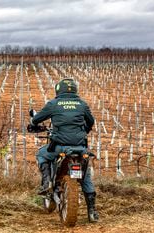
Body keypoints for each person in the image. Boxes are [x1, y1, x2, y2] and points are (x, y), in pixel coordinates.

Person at [29, 78, 99, 222]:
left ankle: (47, 183)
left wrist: (33, 122)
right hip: (80, 147)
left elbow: (36, 120)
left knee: (41, 155)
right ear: (75, 89)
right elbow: (90, 122)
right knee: (85, 176)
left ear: (58, 90)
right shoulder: (82, 104)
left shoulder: (54, 104)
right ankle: (92, 212)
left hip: (59, 146)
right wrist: (83, 130)